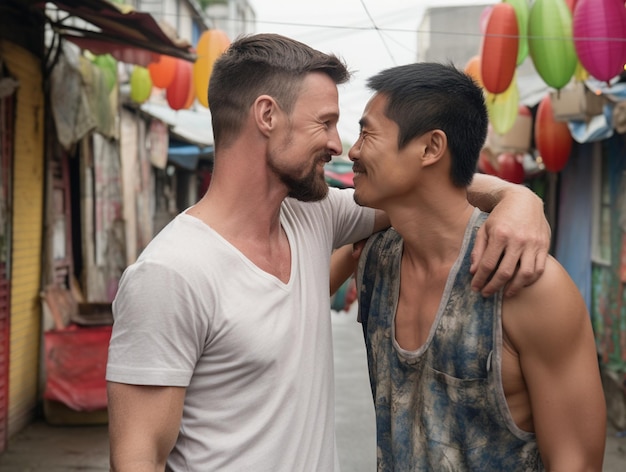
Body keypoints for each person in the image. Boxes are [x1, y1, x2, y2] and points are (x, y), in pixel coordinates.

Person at [106, 34, 551, 472]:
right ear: (267, 115)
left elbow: (426, 185)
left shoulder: (312, 216)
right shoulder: (171, 273)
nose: (339, 145)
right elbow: (137, 457)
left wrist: (518, 199)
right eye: (325, 122)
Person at [350, 62, 606, 471]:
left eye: (367, 132)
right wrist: (516, 194)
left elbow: (576, 461)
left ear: (431, 148)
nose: (353, 150)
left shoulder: (529, 283)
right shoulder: (373, 257)